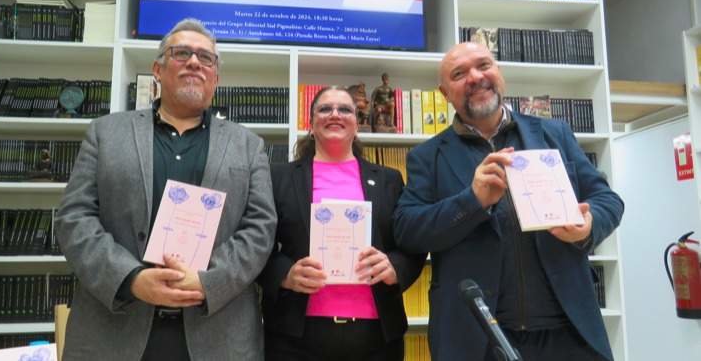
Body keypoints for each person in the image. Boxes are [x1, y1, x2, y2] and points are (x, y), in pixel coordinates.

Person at [54, 18, 277, 361]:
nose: (194, 62)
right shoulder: (105, 133)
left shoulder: (248, 146)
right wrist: (131, 278)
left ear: (215, 78)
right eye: (181, 53)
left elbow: (260, 229)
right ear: (157, 69)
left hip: (219, 336)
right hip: (114, 331)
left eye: (206, 58)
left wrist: (207, 281)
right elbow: (74, 218)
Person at [393, 42, 624, 361]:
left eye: (484, 65)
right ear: (445, 94)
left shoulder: (554, 133)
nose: (475, 77)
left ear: (499, 73)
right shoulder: (427, 156)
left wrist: (588, 225)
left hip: (569, 334)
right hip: (478, 340)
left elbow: (606, 200)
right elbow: (407, 230)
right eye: (459, 74)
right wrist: (471, 201)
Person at [259, 86, 426, 360]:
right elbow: (257, 244)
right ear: (311, 124)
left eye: (345, 109)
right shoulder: (279, 177)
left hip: (377, 338)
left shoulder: (389, 180)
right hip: (295, 339)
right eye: (325, 109)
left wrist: (394, 268)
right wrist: (286, 274)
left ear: (356, 124)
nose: (334, 114)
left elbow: (413, 243)